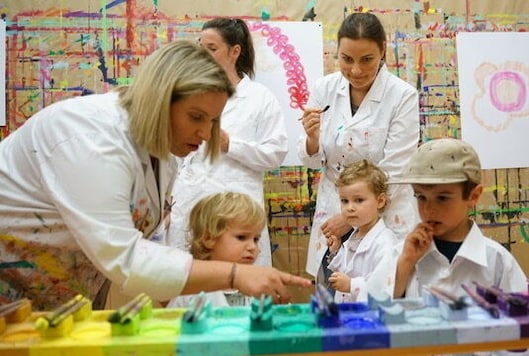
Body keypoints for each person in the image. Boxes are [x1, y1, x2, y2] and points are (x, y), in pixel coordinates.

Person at [0, 39, 310, 311]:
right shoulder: (89, 137)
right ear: (160, 99)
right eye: (196, 117)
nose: (205, 133)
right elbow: (126, 259)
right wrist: (233, 275)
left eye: (213, 121)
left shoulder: (164, 155)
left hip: (56, 297)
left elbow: (147, 244)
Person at [297, 12, 420, 284]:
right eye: (346, 59)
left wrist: (350, 218)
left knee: (379, 300)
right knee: (332, 305)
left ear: (382, 52)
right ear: (337, 52)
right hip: (334, 214)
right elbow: (312, 161)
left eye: (367, 60)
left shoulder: (402, 96)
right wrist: (312, 138)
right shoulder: (324, 89)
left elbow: (396, 172)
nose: (355, 70)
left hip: (383, 218)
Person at [167, 18, 288, 268]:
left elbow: (275, 153)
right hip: (190, 205)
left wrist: (230, 144)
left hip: (237, 212)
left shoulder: (259, 98)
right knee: (189, 287)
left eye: (211, 49)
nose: (202, 54)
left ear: (235, 51)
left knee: (240, 289)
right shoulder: (188, 93)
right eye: (200, 47)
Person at [392, 138, 528, 299]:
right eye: (421, 197)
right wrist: (405, 264)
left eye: (442, 198)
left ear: (473, 196)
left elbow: (523, 317)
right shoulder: (402, 254)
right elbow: (374, 308)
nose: (428, 209)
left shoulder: (498, 261)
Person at [168, 192, 264, 308]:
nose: (252, 247)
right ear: (209, 238)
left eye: (256, 239)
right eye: (241, 237)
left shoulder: (256, 288)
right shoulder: (191, 293)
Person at [326, 160, 397, 303]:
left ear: (380, 201)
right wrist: (336, 252)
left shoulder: (385, 243)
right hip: (349, 312)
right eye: (344, 201)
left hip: (368, 316)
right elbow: (349, 268)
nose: (349, 208)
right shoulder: (357, 234)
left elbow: (384, 286)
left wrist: (352, 285)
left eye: (358, 200)